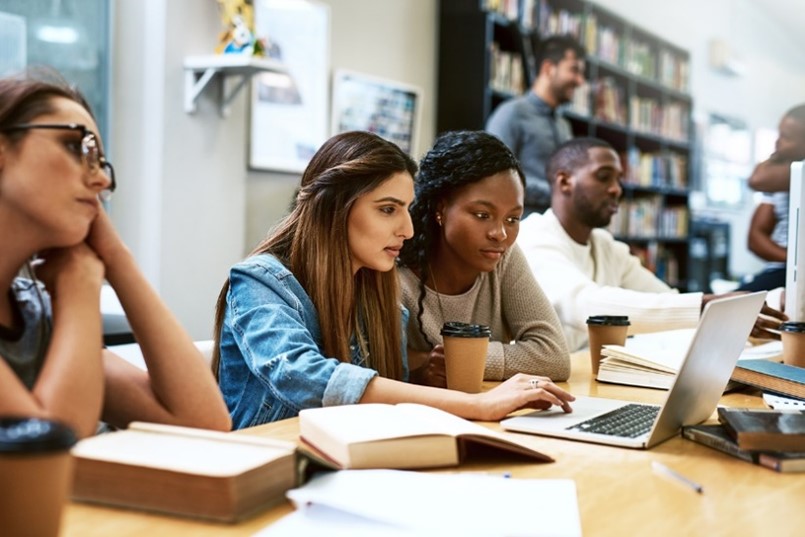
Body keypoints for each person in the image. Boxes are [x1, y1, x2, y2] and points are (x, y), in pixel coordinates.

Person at [211, 131, 574, 429]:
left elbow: (389, 396)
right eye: (388, 209)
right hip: (261, 471)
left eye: (405, 208)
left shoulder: (374, 287)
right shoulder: (259, 283)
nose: (408, 228)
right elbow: (306, 378)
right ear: (333, 208)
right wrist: (476, 405)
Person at [0, 71, 231, 438]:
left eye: (100, 162)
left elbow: (203, 422)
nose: (101, 181)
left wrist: (115, 256)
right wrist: (80, 285)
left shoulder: (34, 317)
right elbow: (46, 458)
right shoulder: (67, 297)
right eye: (77, 147)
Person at [517, 137, 786, 351]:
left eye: (619, 179)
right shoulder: (534, 237)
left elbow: (666, 301)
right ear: (565, 182)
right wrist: (707, 307)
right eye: (603, 176)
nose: (617, 189)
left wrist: (777, 300)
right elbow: (587, 306)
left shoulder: (606, 246)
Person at [397, 131, 569, 387]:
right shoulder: (394, 272)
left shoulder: (504, 258)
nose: (499, 234)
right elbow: (380, 366)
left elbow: (554, 357)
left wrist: (460, 360)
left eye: (512, 219)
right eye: (482, 215)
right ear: (441, 208)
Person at [486, 34, 586, 216]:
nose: (580, 81)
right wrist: (558, 192)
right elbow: (495, 175)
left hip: (559, 228)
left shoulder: (564, 125)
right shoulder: (511, 114)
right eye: (574, 70)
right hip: (523, 231)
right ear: (548, 68)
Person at [738, 104, 805, 292]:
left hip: (791, 273)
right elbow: (755, 237)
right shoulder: (778, 176)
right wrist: (794, 260)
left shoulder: (797, 171)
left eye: (787, 137)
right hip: (784, 269)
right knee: (729, 304)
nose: (778, 142)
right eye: (779, 134)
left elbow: (756, 179)